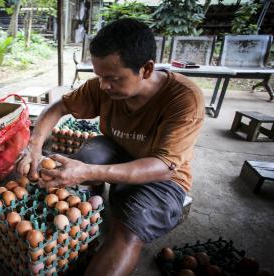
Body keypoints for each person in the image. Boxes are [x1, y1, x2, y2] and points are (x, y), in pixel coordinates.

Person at [16, 18, 205, 276]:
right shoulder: (103, 86)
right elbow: (57, 107)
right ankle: (88, 209)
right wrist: (34, 147)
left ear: (146, 69)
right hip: (118, 152)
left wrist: (89, 172)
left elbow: (162, 167)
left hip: (163, 178)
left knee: (128, 228)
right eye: (99, 76)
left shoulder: (183, 99)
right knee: (92, 151)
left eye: (113, 78)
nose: (104, 86)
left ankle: (110, 221)